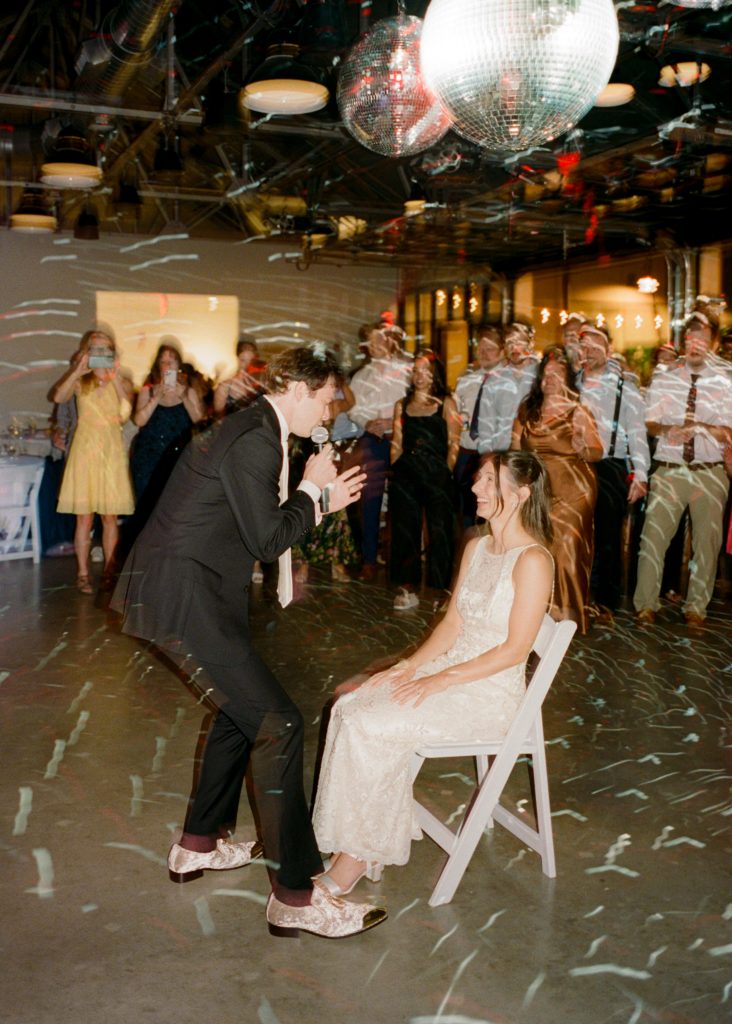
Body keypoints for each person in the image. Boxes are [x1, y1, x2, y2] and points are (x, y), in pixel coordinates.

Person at [112, 347, 384, 940]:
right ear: (298, 388)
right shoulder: (257, 437)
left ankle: (198, 844)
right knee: (279, 722)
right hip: (185, 593)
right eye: (328, 395)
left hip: (198, 589)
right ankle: (294, 896)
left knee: (242, 715)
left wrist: (317, 497)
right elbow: (267, 539)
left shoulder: (262, 428)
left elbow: (259, 528)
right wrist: (315, 495)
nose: (334, 406)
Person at [311, 450, 554, 895]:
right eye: (478, 479)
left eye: (488, 482)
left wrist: (438, 680)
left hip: (489, 695)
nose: (476, 488)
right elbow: (452, 624)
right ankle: (357, 841)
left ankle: (358, 856)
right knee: (351, 706)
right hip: (452, 670)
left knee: (374, 723)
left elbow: (515, 649)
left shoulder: (534, 560)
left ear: (520, 495)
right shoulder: (477, 545)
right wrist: (406, 667)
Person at [634, 310, 732, 627]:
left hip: (710, 469)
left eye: (703, 338)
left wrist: (700, 426)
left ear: (713, 343)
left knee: (707, 541)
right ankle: (645, 604)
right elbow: (648, 423)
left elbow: (728, 431)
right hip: (670, 467)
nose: (696, 344)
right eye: (691, 338)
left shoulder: (727, 380)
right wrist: (667, 430)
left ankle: (696, 609)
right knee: (652, 538)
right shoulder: (665, 378)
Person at [512, 346, 603, 633]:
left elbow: (597, 451)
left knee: (566, 549)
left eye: (556, 374)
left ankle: (568, 617)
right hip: (536, 488)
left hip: (574, 489)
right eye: (545, 375)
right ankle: (538, 612)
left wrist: (583, 447)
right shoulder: (527, 410)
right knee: (536, 547)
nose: (549, 379)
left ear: (567, 379)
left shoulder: (579, 411)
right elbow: (515, 449)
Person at [578, 323, 650, 625]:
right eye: (585, 345)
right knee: (576, 535)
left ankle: (605, 601)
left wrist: (641, 474)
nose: (590, 351)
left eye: (597, 345)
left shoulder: (626, 387)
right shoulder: (570, 383)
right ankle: (575, 596)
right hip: (574, 466)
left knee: (607, 537)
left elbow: (637, 433)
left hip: (609, 465)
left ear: (608, 350)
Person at [53, 328, 135, 593]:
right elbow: (58, 397)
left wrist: (114, 378)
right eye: (95, 349)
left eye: (105, 349)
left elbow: (125, 413)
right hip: (85, 450)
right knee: (84, 519)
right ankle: (83, 573)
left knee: (109, 517)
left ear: (112, 352)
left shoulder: (121, 380)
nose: (100, 354)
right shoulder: (80, 380)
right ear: (87, 351)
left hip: (110, 451)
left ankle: (110, 573)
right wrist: (78, 370)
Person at [389, 351, 461, 610]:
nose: (420, 376)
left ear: (435, 374)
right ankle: (406, 588)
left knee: (440, 531)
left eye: (426, 370)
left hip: (436, 472)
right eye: (416, 371)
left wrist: (446, 470)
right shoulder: (401, 404)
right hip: (406, 471)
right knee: (405, 530)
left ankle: (441, 590)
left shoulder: (446, 403)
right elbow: (396, 442)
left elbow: (454, 441)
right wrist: (396, 465)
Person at [127, 341, 204, 546]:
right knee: (148, 506)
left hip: (178, 458)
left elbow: (199, 420)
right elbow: (139, 420)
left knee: (176, 507)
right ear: (158, 366)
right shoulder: (148, 390)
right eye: (163, 362)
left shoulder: (189, 391)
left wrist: (183, 397)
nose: (167, 366)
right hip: (149, 458)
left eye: (172, 362)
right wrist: (156, 396)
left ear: (179, 365)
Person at [348, 323, 410, 579]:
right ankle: (369, 560)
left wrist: (396, 423)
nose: (374, 346)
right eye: (370, 342)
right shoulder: (361, 376)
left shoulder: (407, 370)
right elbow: (353, 407)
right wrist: (368, 422)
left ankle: (402, 563)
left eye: (378, 341)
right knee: (369, 500)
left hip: (402, 441)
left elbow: (415, 402)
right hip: (373, 441)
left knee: (404, 500)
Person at [454, 326, 504, 526]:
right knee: (467, 511)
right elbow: (456, 416)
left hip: (495, 455)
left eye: (489, 349)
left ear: (502, 351)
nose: (483, 353)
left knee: (495, 510)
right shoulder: (466, 381)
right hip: (467, 454)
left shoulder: (510, 383)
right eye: (480, 349)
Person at [474, 322, 538, 456]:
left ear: (531, 344)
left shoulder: (543, 377)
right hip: (502, 456)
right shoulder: (493, 381)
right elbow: (485, 427)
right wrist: (487, 459)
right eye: (509, 343)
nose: (514, 348)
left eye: (519, 342)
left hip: (536, 456)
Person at [213, 336, 267, 417]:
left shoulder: (261, 386)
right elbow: (218, 418)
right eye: (243, 360)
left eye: (251, 361)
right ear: (237, 359)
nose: (247, 365)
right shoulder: (225, 387)